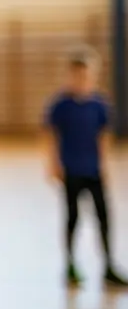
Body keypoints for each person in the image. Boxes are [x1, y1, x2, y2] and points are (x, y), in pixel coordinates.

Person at [43, 47, 127, 288]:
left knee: (103, 217)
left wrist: (104, 165)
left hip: (93, 170)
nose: (81, 80)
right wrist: (52, 163)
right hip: (71, 169)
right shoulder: (61, 105)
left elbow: (103, 137)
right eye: (77, 75)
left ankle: (109, 265)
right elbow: (52, 135)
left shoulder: (99, 104)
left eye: (86, 75)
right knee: (72, 217)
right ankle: (70, 264)